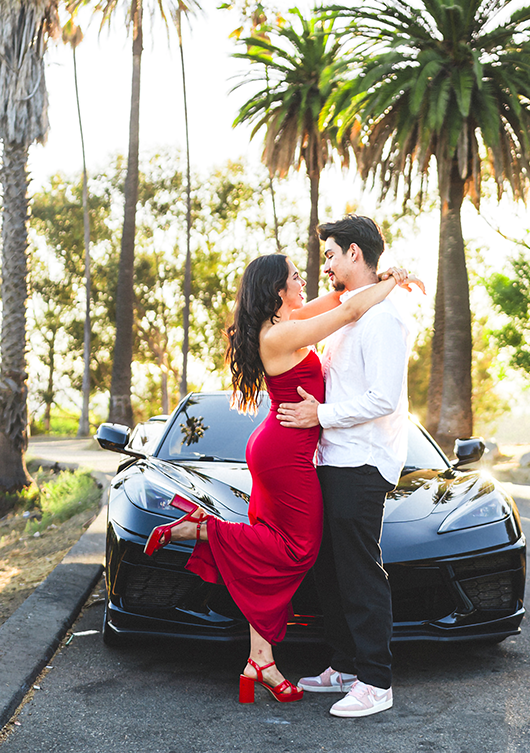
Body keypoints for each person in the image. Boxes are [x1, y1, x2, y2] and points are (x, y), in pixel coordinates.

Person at [143, 252, 411, 705]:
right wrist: (395, 279)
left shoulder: (287, 320)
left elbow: (340, 298)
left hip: (278, 446)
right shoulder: (283, 332)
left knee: (270, 544)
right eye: (294, 276)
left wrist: (373, 280)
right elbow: (347, 310)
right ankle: (204, 528)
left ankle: (260, 661)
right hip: (286, 453)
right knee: (298, 548)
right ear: (276, 290)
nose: (304, 279)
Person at [277, 215, 423, 718]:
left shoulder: (384, 318)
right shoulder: (353, 310)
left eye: (334, 255)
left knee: (360, 571)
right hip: (333, 456)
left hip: (363, 460)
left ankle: (376, 683)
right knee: (330, 569)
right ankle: (345, 666)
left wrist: (321, 415)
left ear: (355, 254)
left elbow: (383, 398)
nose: (329, 265)